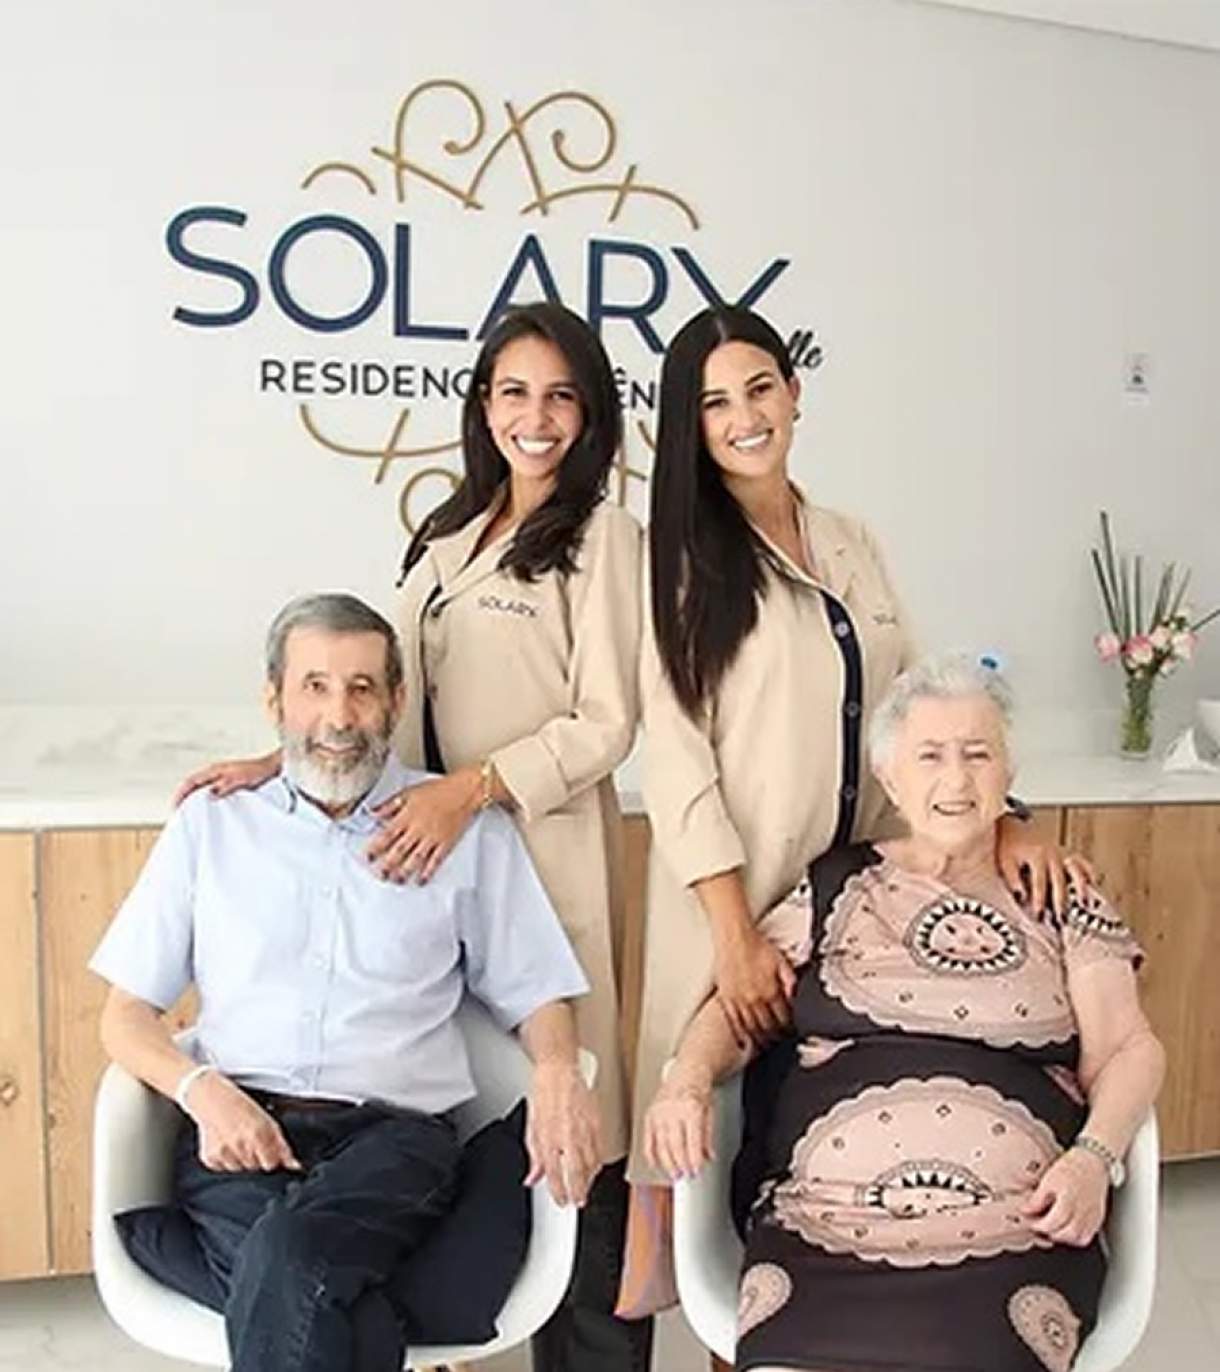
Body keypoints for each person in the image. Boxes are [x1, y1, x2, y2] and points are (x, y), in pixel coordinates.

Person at [175, 304, 648, 1372]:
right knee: (459, 1151)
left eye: (561, 395)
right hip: (423, 865)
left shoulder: (605, 539)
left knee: (571, 1141)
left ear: (590, 413)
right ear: (482, 405)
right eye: (513, 392)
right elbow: (377, 691)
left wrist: (470, 792)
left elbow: (608, 722)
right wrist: (283, 759)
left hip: (536, 853)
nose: (536, 417)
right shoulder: (448, 530)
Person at [629, 306, 1087, 1177]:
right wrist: (734, 935)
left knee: (835, 1127)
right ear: (690, 424)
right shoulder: (677, 562)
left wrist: (1008, 820)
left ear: (794, 394)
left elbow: (920, 708)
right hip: (735, 899)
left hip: (856, 902)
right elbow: (677, 762)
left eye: (760, 389)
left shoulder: (852, 540)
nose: (745, 417)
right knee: (687, 1147)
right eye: (715, 403)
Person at [92, 593, 601, 1372]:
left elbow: (537, 989)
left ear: (395, 700)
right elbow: (124, 1016)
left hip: (395, 1144)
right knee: (324, 1292)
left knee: (282, 1260)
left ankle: (219, 1259)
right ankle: (407, 1293)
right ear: (275, 701)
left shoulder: (467, 833)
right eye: (315, 687)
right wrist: (202, 1092)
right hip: (240, 1132)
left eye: (362, 688)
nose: (339, 715)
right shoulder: (211, 826)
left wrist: (560, 1069)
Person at [644, 654, 1164, 1372]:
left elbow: (1130, 1048)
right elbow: (736, 1013)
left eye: (978, 754)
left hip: (1015, 1222)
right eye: (930, 756)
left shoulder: (1061, 894)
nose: (957, 779)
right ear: (890, 779)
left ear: (1009, 773)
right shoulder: (834, 886)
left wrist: (1093, 1159)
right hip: (826, 1219)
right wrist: (686, 1080)